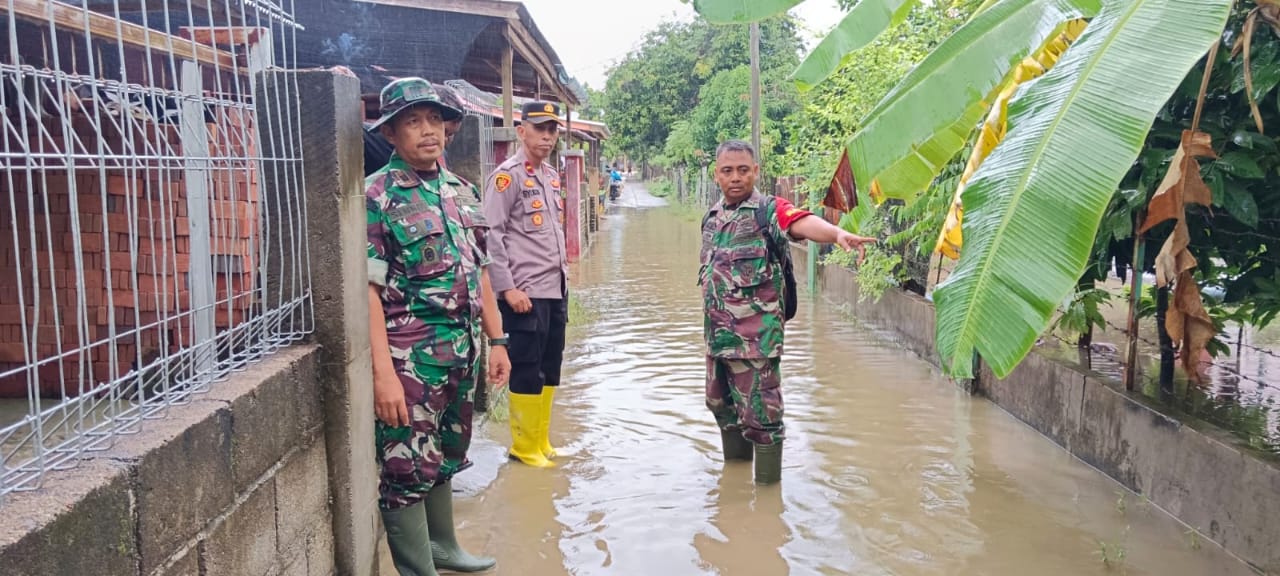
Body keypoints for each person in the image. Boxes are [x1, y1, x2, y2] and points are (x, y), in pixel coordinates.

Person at [366, 77, 511, 575]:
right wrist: (383, 375)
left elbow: (481, 272)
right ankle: (417, 568)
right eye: (413, 121)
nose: (428, 130)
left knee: (447, 453)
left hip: (461, 354)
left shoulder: (459, 189)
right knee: (405, 467)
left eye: (434, 119)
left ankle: (444, 547)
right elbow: (367, 290)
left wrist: (497, 340)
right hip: (410, 363)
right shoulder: (377, 195)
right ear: (391, 133)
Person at [700, 140, 876, 485]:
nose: (735, 178)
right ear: (716, 175)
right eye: (727, 171)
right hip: (717, 341)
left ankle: (768, 499)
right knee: (722, 408)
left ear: (755, 172)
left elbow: (801, 222)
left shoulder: (768, 211)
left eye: (743, 170)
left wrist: (837, 234)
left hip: (756, 343)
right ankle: (735, 487)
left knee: (763, 419)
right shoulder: (712, 218)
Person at [481, 101, 570, 468]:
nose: (547, 136)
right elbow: (491, 235)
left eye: (552, 130)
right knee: (527, 367)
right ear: (521, 131)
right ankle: (523, 446)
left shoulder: (549, 175)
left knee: (550, 366)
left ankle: (541, 440)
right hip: (524, 293)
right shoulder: (507, 177)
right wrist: (507, 288)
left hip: (554, 289)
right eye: (539, 129)